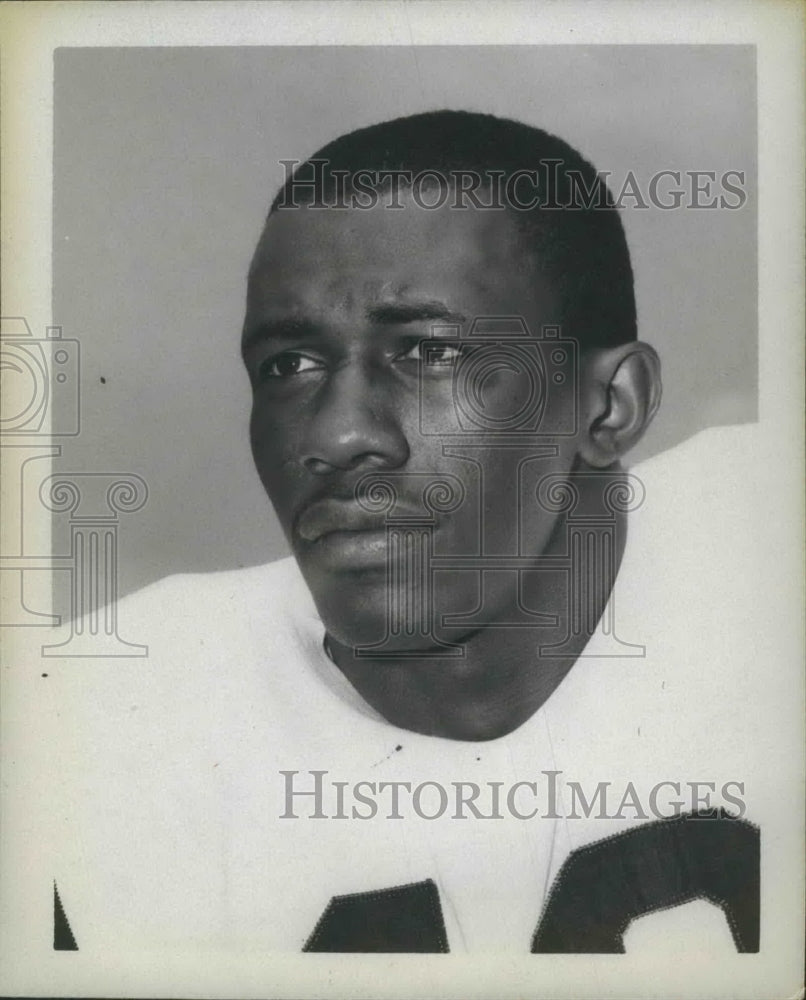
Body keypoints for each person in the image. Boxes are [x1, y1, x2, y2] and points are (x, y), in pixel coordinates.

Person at [48, 111, 762, 955]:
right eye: (290, 365)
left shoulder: (765, 563)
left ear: (610, 405)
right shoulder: (96, 721)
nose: (338, 436)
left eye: (428, 352)